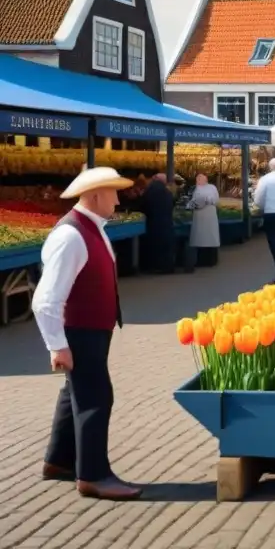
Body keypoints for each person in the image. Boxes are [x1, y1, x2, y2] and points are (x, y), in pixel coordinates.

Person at [31, 166, 142, 500]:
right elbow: (45, 300)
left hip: (91, 330)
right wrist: (57, 346)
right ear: (95, 195)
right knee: (95, 398)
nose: (118, 199)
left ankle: (59, 461)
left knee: (74, 394)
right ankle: (93, 475)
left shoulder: (90, 228)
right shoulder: (71, 235)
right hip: (80, 331)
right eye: (113, 192)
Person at [139, 173, 175, 274]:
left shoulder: (149, 191)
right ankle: (167, 266)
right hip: (167, 222)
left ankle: (153, 266)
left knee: (154, 244)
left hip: (153, 222)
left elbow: (143, 205)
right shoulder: (167, 192)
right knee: (166, 245)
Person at [187, 173, 221, 267]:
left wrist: (193, 204)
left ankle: (208, 260)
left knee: (206, 237)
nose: (199, 180)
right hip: (203, 216)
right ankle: (206, 260)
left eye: (201, 178)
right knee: (204, 237)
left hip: (206, 215)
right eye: (198, 178)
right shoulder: (197, 188)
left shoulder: (209, 188)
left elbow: (214, 200)